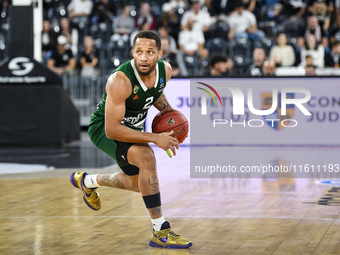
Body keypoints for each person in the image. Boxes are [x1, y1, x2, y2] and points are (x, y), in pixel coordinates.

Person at [70, 30, 192, 249]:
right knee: (146, 157)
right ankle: (160, 230)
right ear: (132, 53)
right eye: (139, 52)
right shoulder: (120, 80)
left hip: (132, 127)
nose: (143, 57)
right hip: (105, 128)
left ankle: (88, 181)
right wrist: (155, 138)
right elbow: (112, 129)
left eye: (149, 52)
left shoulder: (165, 71)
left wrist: (171, 116)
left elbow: (155, 92)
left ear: (160, 54)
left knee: (138, 185)